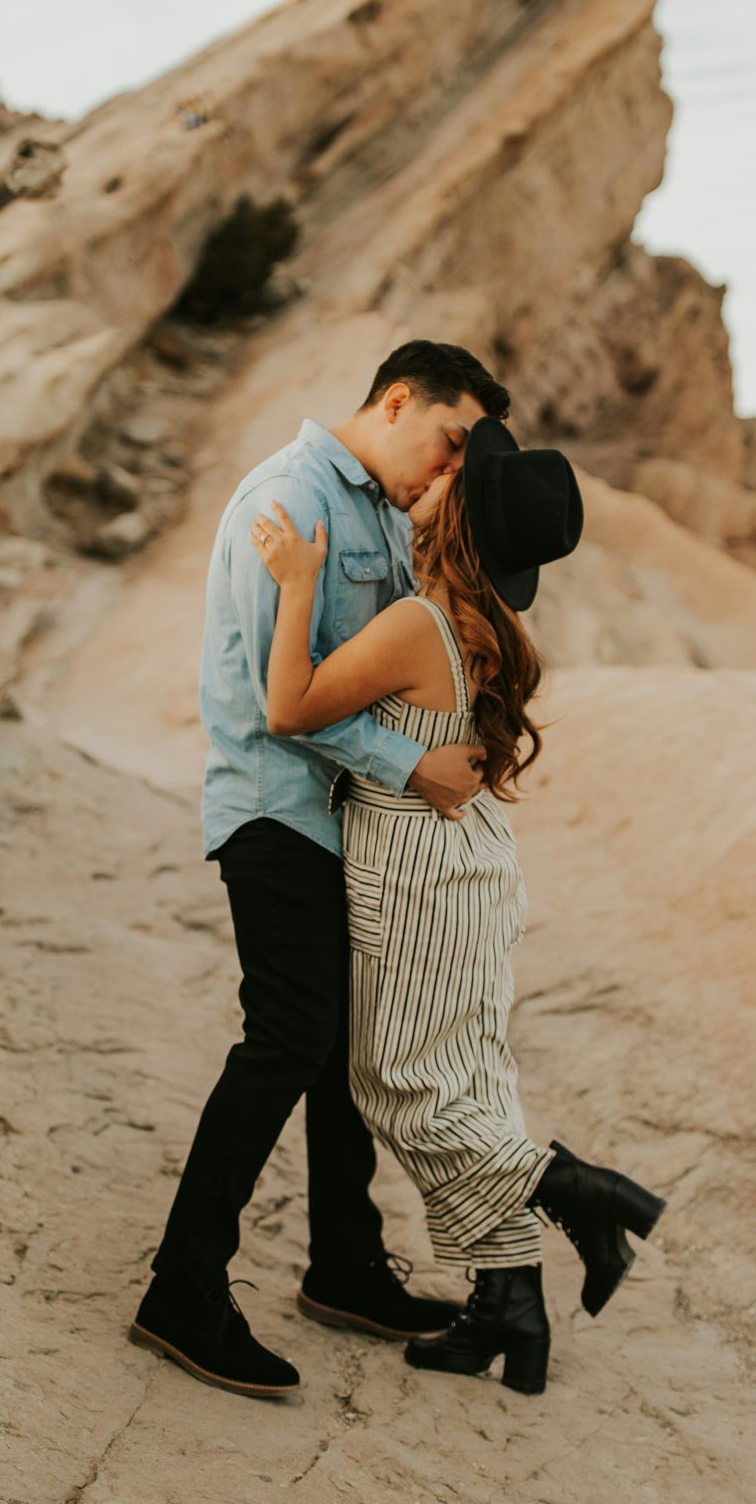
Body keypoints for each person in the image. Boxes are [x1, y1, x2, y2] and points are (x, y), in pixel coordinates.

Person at [247, 415, 666, 1396]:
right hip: (470, 862)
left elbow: (290, 708)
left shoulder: (417, 625)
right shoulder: (483, 627)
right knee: (468, 1078)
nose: (430, 477)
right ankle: (507, 1307)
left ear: (459, 515)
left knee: (399, 1081)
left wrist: (299, 582)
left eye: (449, 479)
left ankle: (579, 1192)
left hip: (415, 871)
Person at [130, 342, 507, 1399]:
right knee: (285, 1039)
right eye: (447, 443)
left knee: (347, 1045)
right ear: (397, 402)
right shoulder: (289, 498)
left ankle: (345, 1265)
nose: (445, 471)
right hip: (274, 810)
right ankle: (182, 1287)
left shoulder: (385, 510)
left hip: (339, 824)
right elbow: (271, 700)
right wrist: (410, 765)